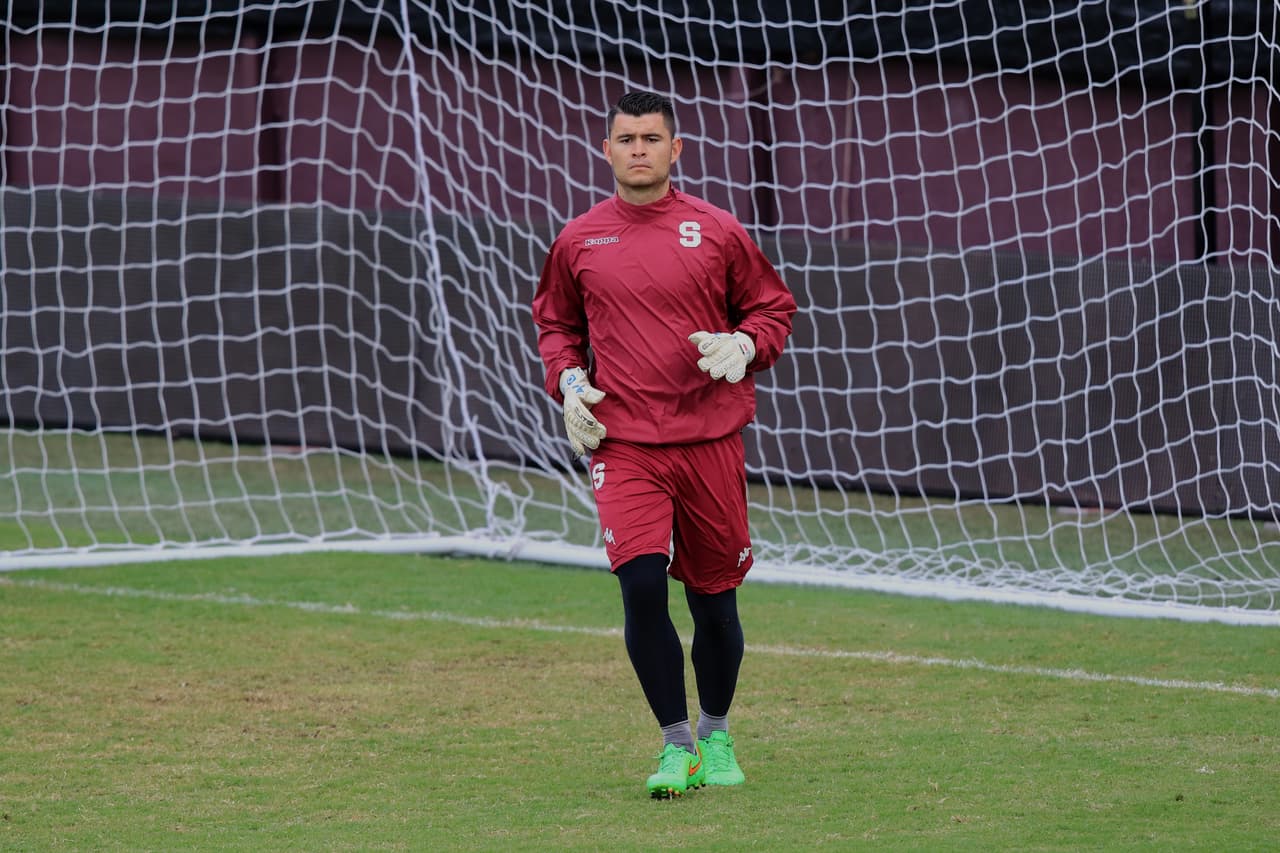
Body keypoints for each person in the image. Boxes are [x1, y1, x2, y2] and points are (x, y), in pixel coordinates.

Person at [531, 91, 797, 799]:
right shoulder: (579, 239)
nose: (639, 148)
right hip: (625, 445)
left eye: (652, 137)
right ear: (608, 149)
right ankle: (674, 743)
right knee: (642, 585)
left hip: (709, 440)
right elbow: (555, 325)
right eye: (626, 138)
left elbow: (772, 307)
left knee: (715, 604)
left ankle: (715, 732)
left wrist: (746, 343)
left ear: (676, 150)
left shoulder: (716, 230)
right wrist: (568, 380)